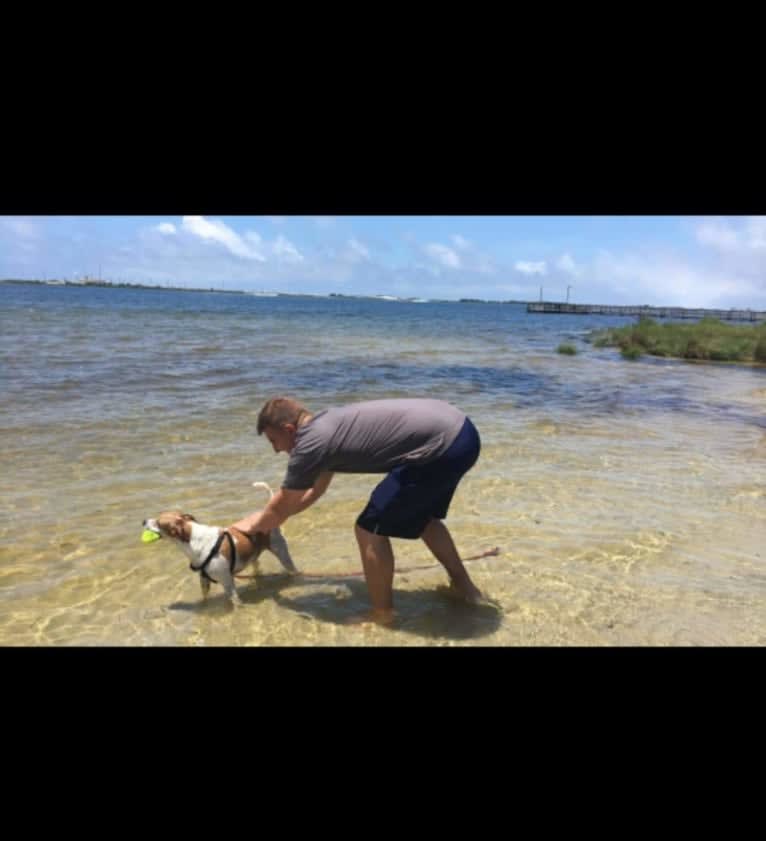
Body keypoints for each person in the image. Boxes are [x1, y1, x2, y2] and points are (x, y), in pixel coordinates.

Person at [230, 396, 486, 625]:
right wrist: (271, 518)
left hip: (440, 447)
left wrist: (249, 526)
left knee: (368, 528)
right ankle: (466, 590)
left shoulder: (310, 443)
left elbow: (284, 502)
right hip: (463, 434)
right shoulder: (326, 425)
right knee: (424, 520)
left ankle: (382, 613)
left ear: (289, 429)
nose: (276, 450)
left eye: (274, 441)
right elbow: (313, 493)